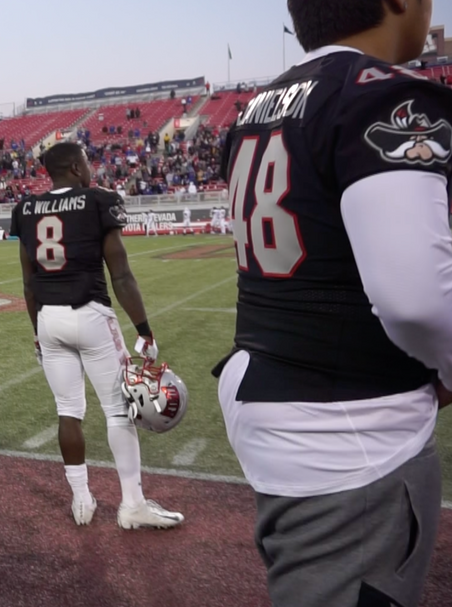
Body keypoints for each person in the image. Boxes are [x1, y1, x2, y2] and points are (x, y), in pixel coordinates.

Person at [215, 1, 452, 605]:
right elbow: (416, 300)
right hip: (347, 421)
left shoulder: (257, 107)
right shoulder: (381, 94)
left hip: (272, 385)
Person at [9, 142, 183, 529]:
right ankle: (132, 505)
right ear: (74, 166)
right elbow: (120, 274)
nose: (90, 168)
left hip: (49, 319)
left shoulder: (25, 209)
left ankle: (82, 500)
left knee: (68, 411)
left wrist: (38, 333)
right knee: (118, 410)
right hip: (89, 313)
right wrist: (144, 330)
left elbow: (28, 283)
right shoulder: (97, 200)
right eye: (86, 162)